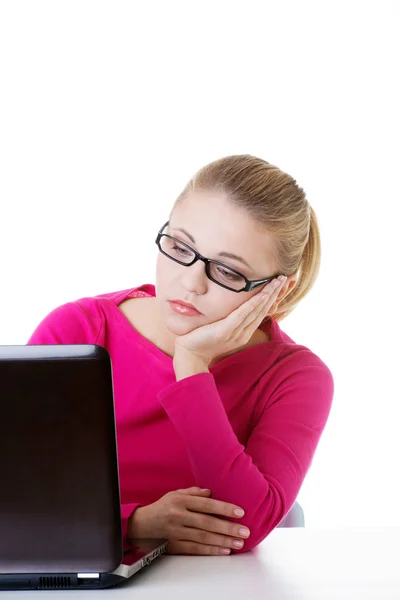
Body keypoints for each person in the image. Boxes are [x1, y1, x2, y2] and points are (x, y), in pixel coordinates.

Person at [27, 154, 334, 556]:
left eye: (227, 272)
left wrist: (191, 366)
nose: (190, 283)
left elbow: (245, 526)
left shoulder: (295, 376)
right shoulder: (79, 332)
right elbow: (16, 494)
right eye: (179, 247)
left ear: (281, 289)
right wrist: (134, 523)